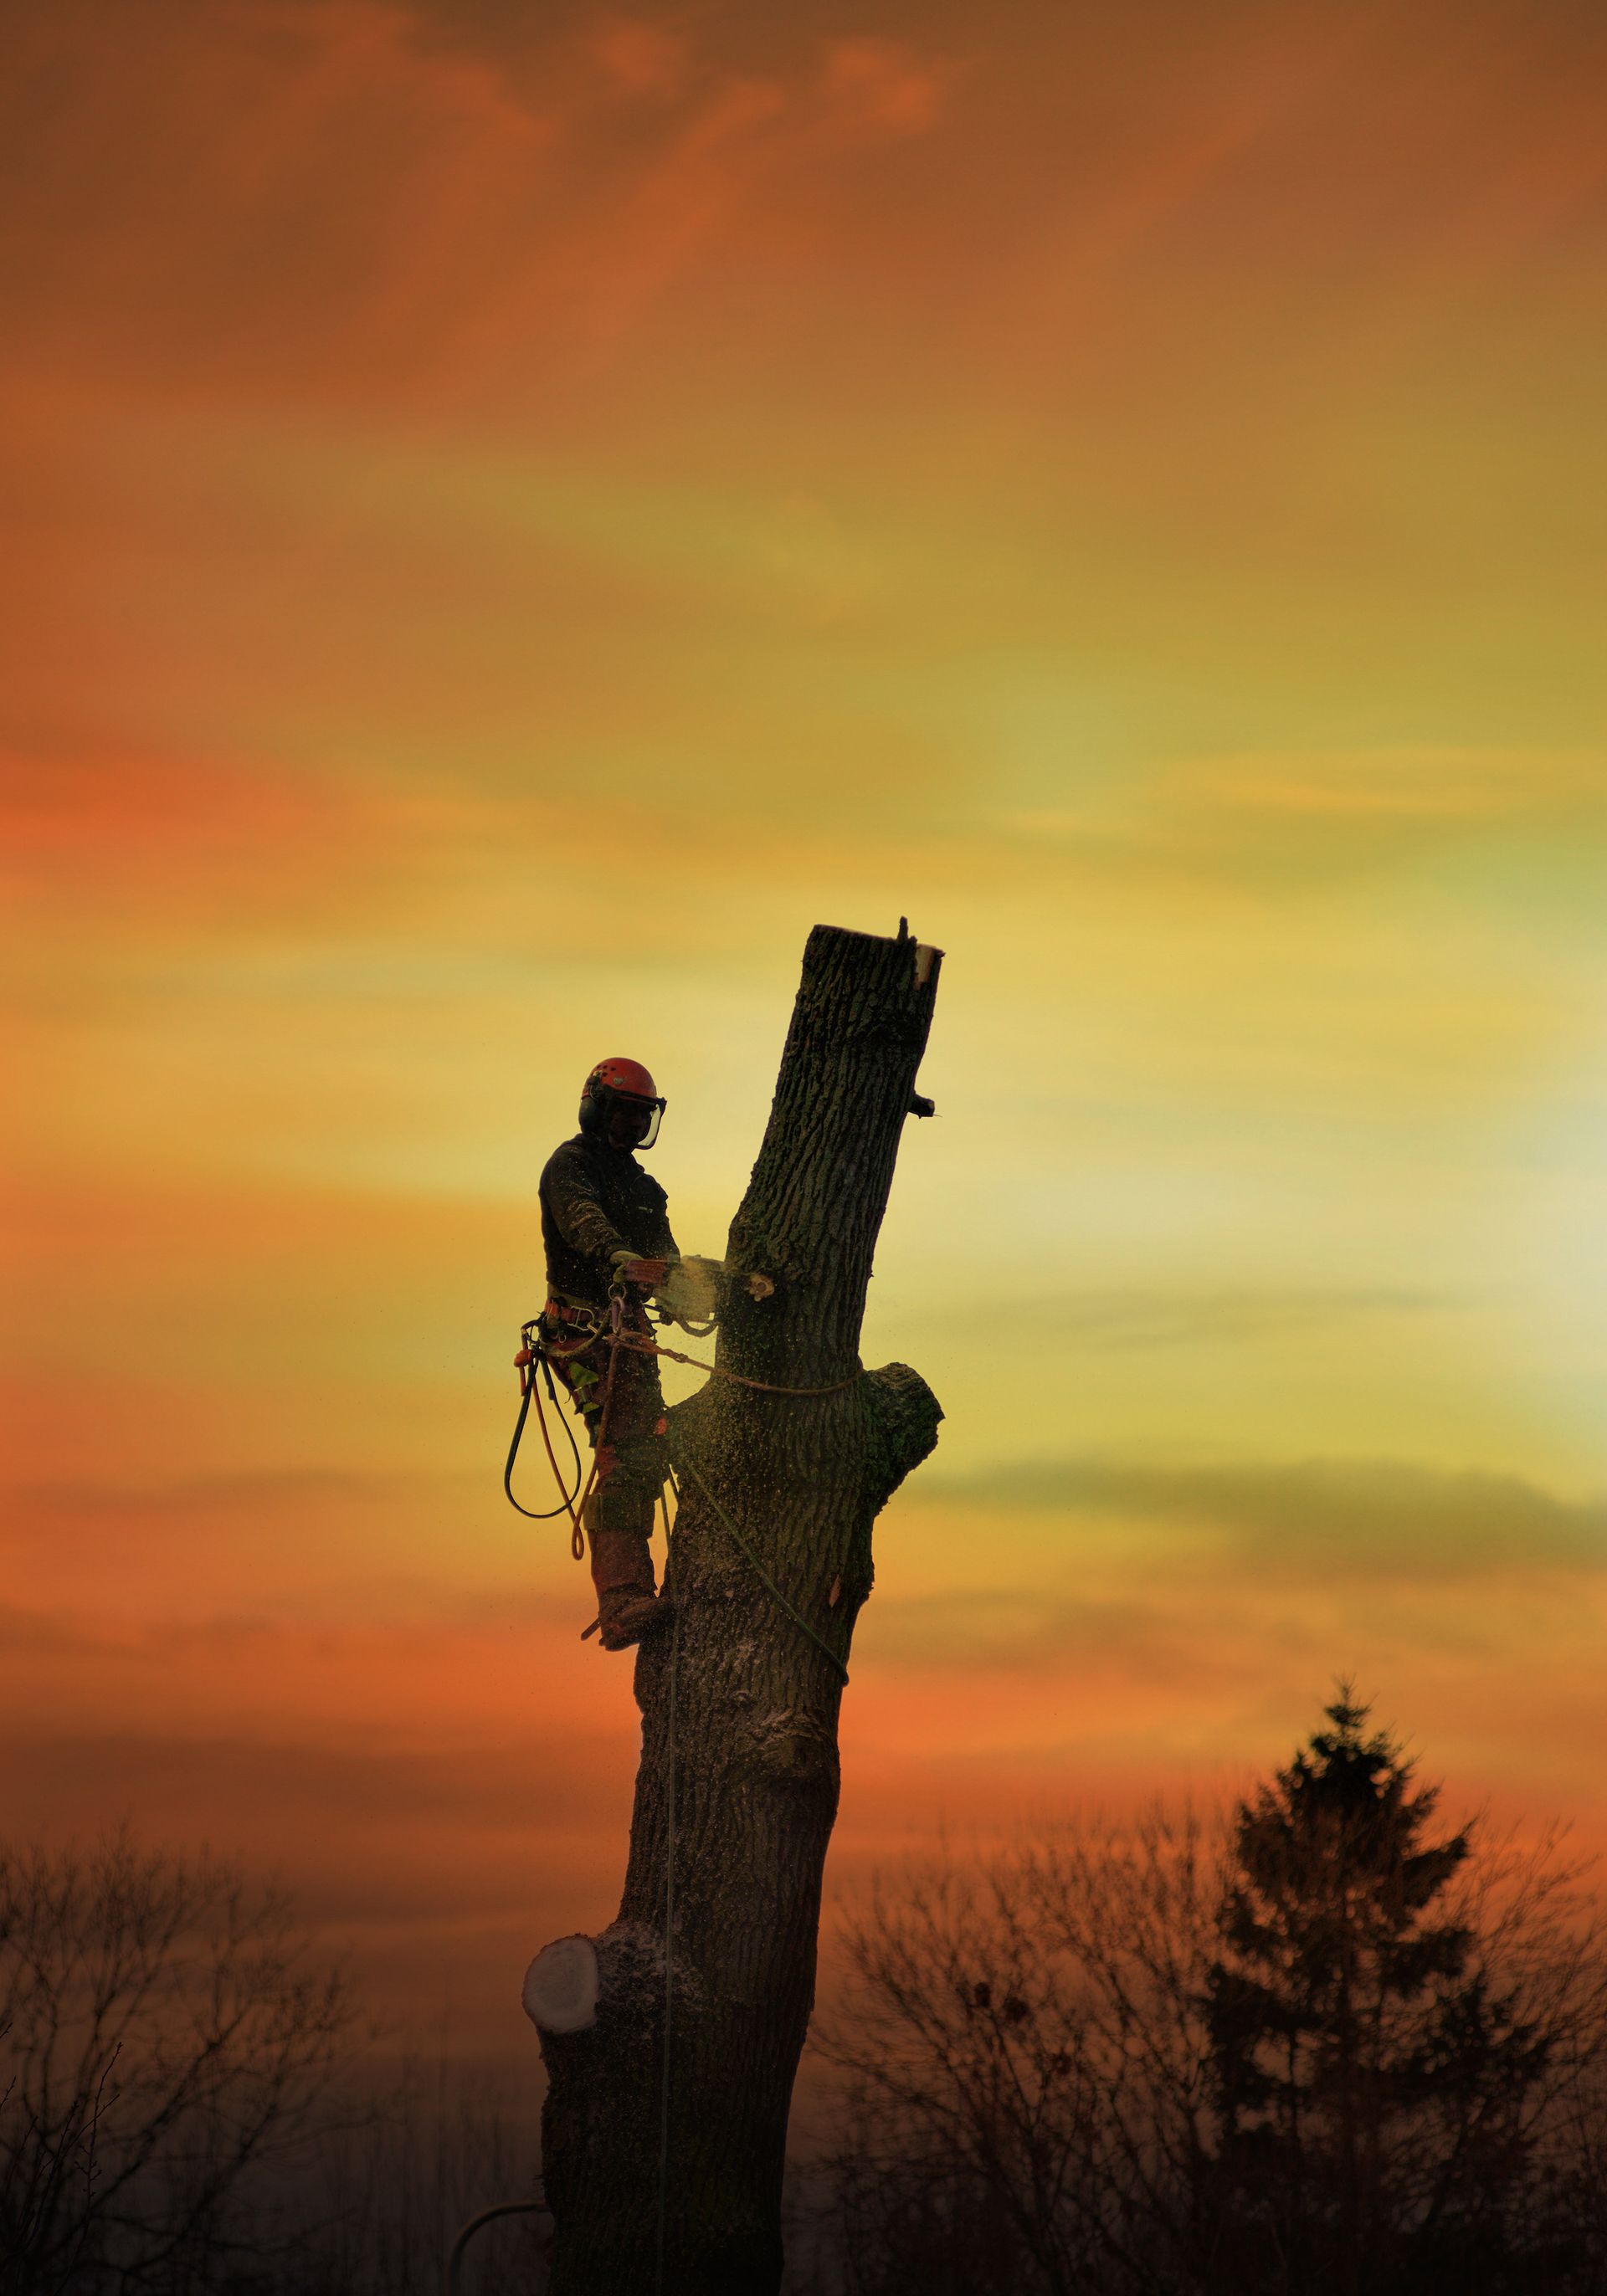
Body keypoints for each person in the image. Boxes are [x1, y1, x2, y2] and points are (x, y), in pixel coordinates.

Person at [537, 1058, 677, 1651]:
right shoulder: (569, 1168)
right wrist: (622, 1260)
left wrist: (694, 1282)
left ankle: (641, 1587)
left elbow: (666, 1257)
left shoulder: (645, 1188)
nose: (628, 1126)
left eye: (638, 1117)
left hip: (631, 1336)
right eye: (622, 1113)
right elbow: (587, 1229)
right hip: (582, 1335)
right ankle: (621, 1600)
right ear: (598, 1109)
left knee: (652, 1446)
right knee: (624, 1451)